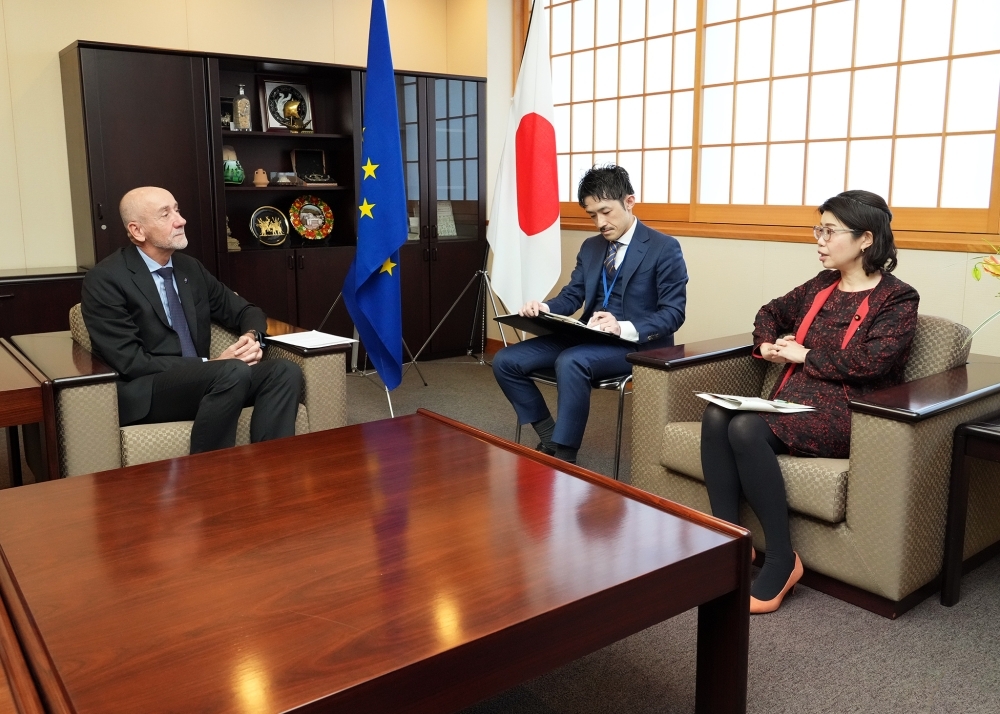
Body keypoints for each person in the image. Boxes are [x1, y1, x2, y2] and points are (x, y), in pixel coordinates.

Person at [701, 190, 919, 614]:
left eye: (829, 231)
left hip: (849, 411)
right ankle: (728, 541)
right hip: (792, 402)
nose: (818, 240)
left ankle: (783, 560)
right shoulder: (821, 285)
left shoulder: (898, 298)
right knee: (717, 414)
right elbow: (770, 312)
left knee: (745, 428)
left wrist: (806, 356)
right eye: (818, 229)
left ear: (866, 239)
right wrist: (766, 346)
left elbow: (873, 362)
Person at [82, 186, 303, 454]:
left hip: (213, 380)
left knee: (283, 371)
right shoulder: (106, 279)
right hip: (149, 390)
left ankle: (272, 468)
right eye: (166, 214)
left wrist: (251, 337)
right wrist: (209, 364)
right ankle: (208, 479)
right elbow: (131, 361)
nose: (180, 220)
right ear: (137, 231)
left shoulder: (190, 268)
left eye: (177, 209)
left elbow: (247, 311)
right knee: (231, 371)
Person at [492, 165, 688, 463]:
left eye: (606, 211)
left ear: (630, 201)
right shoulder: (591, 247)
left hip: (634, 345)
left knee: (571, 361)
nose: (600, 222)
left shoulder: (664, 248)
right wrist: (545, 308)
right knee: (506, 360)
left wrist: (622, 327)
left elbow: (673, 313)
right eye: (592, 215)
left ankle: (564, 457)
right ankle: (549, 436)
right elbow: (573, 295)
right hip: (586, 335)